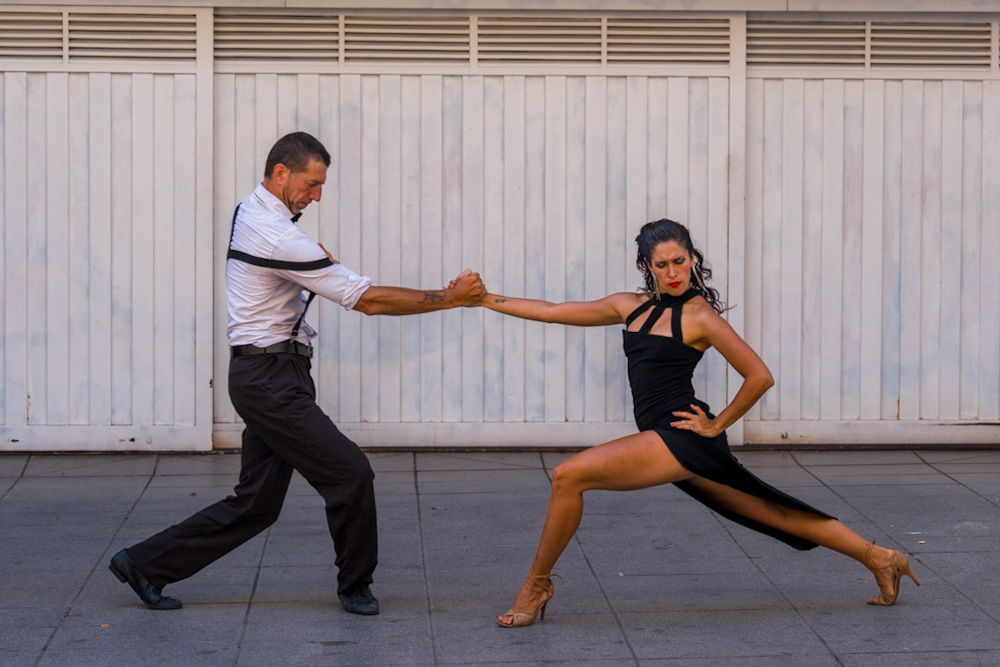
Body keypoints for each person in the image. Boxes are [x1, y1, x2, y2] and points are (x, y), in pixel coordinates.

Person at [109, 131, 485, 616]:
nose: (318, 195)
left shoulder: (253, 211)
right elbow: (367, 300)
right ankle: (355, 585)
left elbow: (291, 269)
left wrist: (315, 263)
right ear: (281, 173)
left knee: (256, 504)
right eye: (311, 184)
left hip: (270, 372)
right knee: (350, 473)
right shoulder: (278, 235)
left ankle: (143, 564)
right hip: (269, 379)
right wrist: (449, 298)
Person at [484, 218, 920, 628]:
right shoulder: (629, 306)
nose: (673, 272)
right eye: (662, 264)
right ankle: (880, 558)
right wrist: (484, 299)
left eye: (680, 260)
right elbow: (552, 310)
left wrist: (715, 425)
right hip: (668, 437)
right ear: (647, 266)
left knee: (568, 475)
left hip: (681, 435)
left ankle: (536, 586)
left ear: (693, 258)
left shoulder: (700, 316)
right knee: (774, 512)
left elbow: (759, 376)